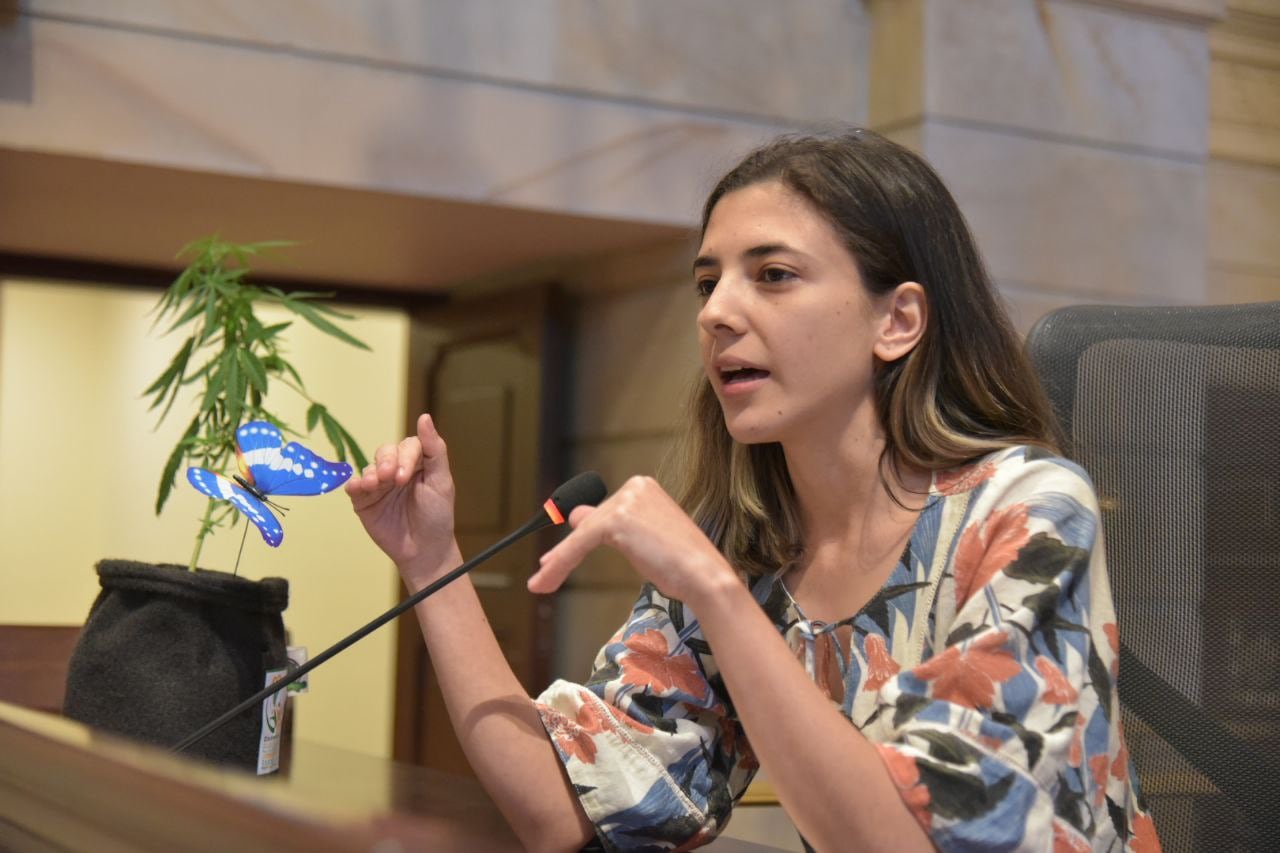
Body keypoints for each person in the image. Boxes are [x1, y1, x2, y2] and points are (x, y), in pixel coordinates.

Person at [347, 129, 1158, 852]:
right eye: (708, 283)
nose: (717, 314)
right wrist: (431, 560)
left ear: (898, 321)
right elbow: (566, 812)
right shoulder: (749, 545)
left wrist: (710, 585)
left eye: (772, 274)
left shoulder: (1027, 510)